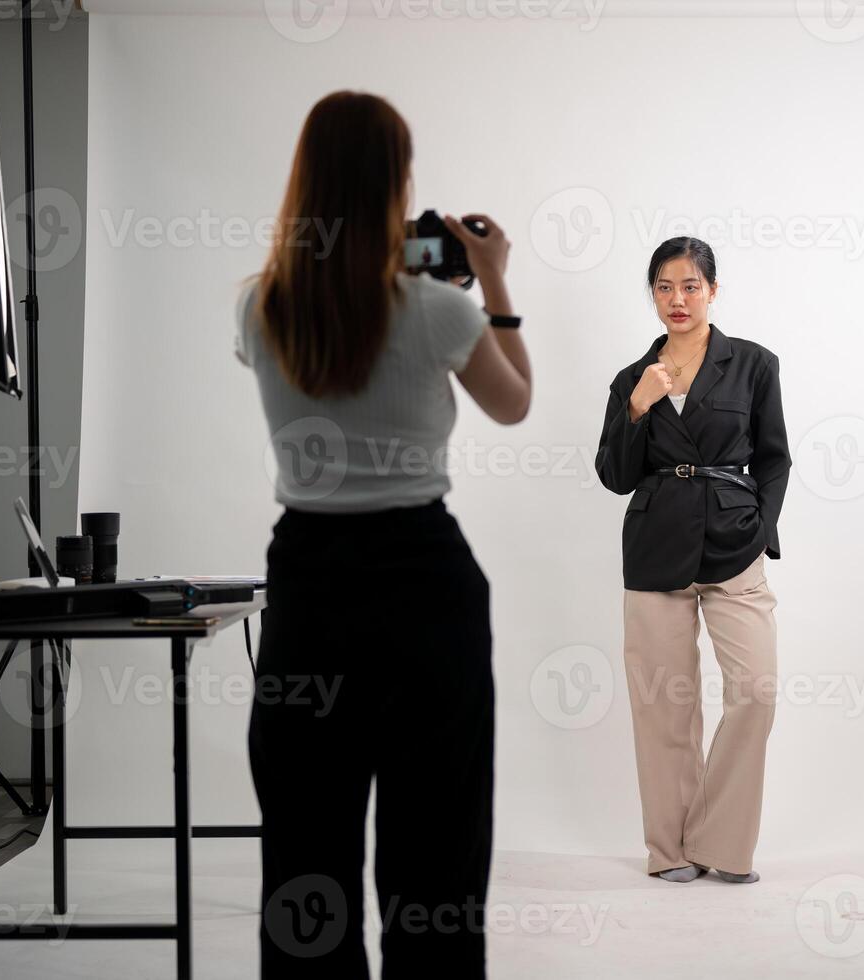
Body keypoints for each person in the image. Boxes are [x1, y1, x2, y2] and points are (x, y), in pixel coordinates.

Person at [235, 90, 530, 978]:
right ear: (396, 184)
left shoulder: (259, 308)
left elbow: (334, 328)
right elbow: (514, 402)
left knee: (304, 860)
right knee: (435, 858)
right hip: (424, 591)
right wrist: (492, 278)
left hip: (307, 593)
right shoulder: (440, 310)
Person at [594, 236, 791, 884]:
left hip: (734, 541)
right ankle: (670, 851)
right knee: (663, 705)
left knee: (755, 691)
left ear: (711, 290)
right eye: (663, 287)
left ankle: (722, 843)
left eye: (689, 286)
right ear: (651, 294)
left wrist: (761, 527)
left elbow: (772, 457)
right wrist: (637, 406)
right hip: (655, 549)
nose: (676, 300)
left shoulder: (753, 364)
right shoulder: (632, 377)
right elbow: (614, 475)